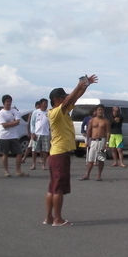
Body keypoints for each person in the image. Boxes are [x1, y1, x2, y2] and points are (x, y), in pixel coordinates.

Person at [44, 74, 98, 227]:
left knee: (52, 187)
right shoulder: (55, 112)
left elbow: (73, 99)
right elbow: (69, 99)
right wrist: (79, 85)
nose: (65, 99)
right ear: (56, 100)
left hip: (58, 153)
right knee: (58, 188)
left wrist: (85, 85)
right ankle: (57, 219)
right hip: (60, 153)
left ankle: (49, 217)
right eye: (62, 98)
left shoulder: (62, 112)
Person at [0, 95, 28, 177]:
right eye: (7, 101)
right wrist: (12, 123)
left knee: (19, 153)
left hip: (14, 136)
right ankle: (6, 171)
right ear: (4, 103)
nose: (9, 103)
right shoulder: (1, 113)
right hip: (4, 136)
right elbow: (4, 125)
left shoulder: (14, 111)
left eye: (10, 101)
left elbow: (17, 122)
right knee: (5, 154)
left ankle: (18, 170)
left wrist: (9, 123)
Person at [80, 104, 110, 181]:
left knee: (101, 159)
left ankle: (99, 175)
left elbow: (108, 132)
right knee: (90, 159)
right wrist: (87, 141)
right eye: (99, 110)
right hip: (93, 141)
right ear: (96, 111)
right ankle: (87, 175)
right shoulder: (92, 120)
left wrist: (107, 143)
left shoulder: (106, 121)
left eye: (102, 110)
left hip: (102, 141)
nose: (100, 111)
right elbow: (89, 131)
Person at [31, 98, 51, 170]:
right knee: (34, 150)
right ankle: (34, 164)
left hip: (46, 133)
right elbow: (32, 123)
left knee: (45, 150)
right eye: (44, 103)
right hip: (37, 133)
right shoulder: (35, 112)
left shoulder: (49, 112)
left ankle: (44, 164)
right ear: (40, 104)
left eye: (47, 103)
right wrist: (32, 133)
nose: (46, 105)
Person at [22, 101, 40, 165]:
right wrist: (29, 132)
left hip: (40, 132)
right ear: (35, 106)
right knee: (30, 146)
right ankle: (24, 158)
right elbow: (29, 124)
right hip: (34, 133)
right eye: (38, 106)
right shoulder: (32, 114)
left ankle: (41, 159)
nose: (39, 107)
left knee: (42, 147)